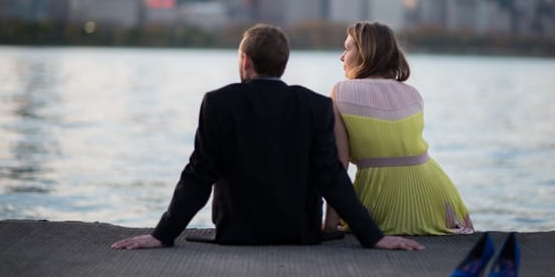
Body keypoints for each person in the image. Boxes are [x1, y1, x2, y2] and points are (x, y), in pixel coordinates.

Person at [112, 24, 424, 251]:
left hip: (236, 235)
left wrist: (162, 234)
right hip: (300, 235)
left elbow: (198, 176)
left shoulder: (218, 103)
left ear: (245, 60)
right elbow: (332, 177)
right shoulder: (315, 106)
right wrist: (373, 236)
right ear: (283, 62)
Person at [324, 21, 474, 236]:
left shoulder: (340, 91)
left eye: (347, 49)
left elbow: (339, 164)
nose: (341, 57)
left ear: (366, 53)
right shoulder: (413, 93)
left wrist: (330, 224)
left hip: (379, 197)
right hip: (434, 198)